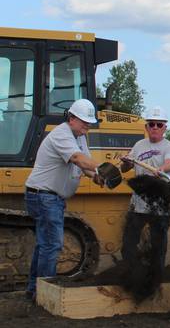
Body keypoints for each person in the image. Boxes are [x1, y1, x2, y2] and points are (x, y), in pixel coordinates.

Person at [24, 99, 106, 299]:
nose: (87, 126)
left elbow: (84, 166)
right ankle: (44, 294)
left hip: (50, 197)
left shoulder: (79, 137)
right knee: (52, 244)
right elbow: (77, 159)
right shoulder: (62, 133)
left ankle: (34, 290)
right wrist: (104, 168)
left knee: (45, 244)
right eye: (84, 122)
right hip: (44, 196)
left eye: (89, 122)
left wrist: (97, 176)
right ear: (71, 119)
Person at [120, 106, 170, 268]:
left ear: (164, 128)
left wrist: (163, 169)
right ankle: (130, 273)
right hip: (138, 203)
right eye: (151, 124)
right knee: (129, 244)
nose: (155, 127)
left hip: (159, 204)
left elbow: (169, 162)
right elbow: (124, 169)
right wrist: (125, 163)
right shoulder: (139, 145)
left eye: (159, 125)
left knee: (158, 246)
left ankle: (156, 277)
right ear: (146, 127)